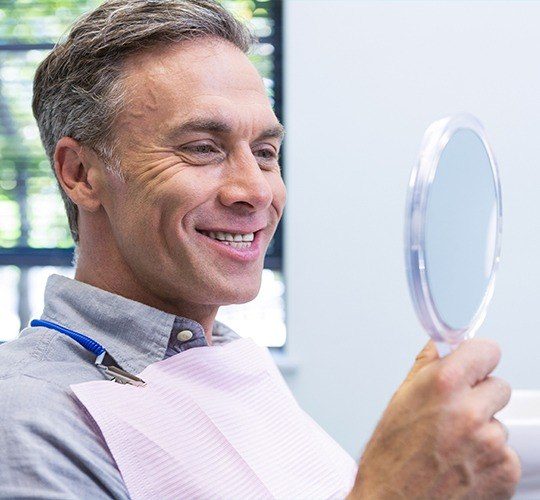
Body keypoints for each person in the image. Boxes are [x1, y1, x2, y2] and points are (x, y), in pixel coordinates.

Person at [0, 0, 520, 498]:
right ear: (81, 174)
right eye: (202, 148)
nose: (256, 190)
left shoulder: (230, 363)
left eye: (266, 153)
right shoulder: (27, 414)